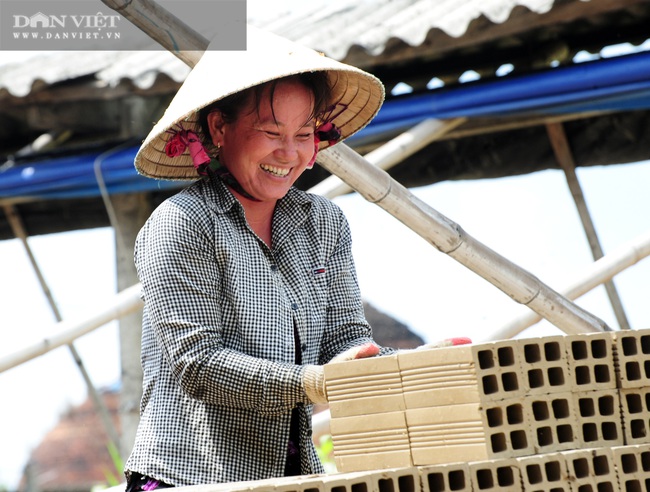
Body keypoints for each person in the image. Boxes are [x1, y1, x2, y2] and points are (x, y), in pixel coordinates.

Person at [123, 26, 390, 489]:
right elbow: (198, 362)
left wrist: (408, 367)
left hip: (292, 476)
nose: (289, 153)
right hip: (192, 478)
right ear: (219, 128)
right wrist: (313, 383)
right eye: (271, 132)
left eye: (304, 133)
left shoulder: (322, 221)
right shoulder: (182, 222)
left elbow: (345, 338)